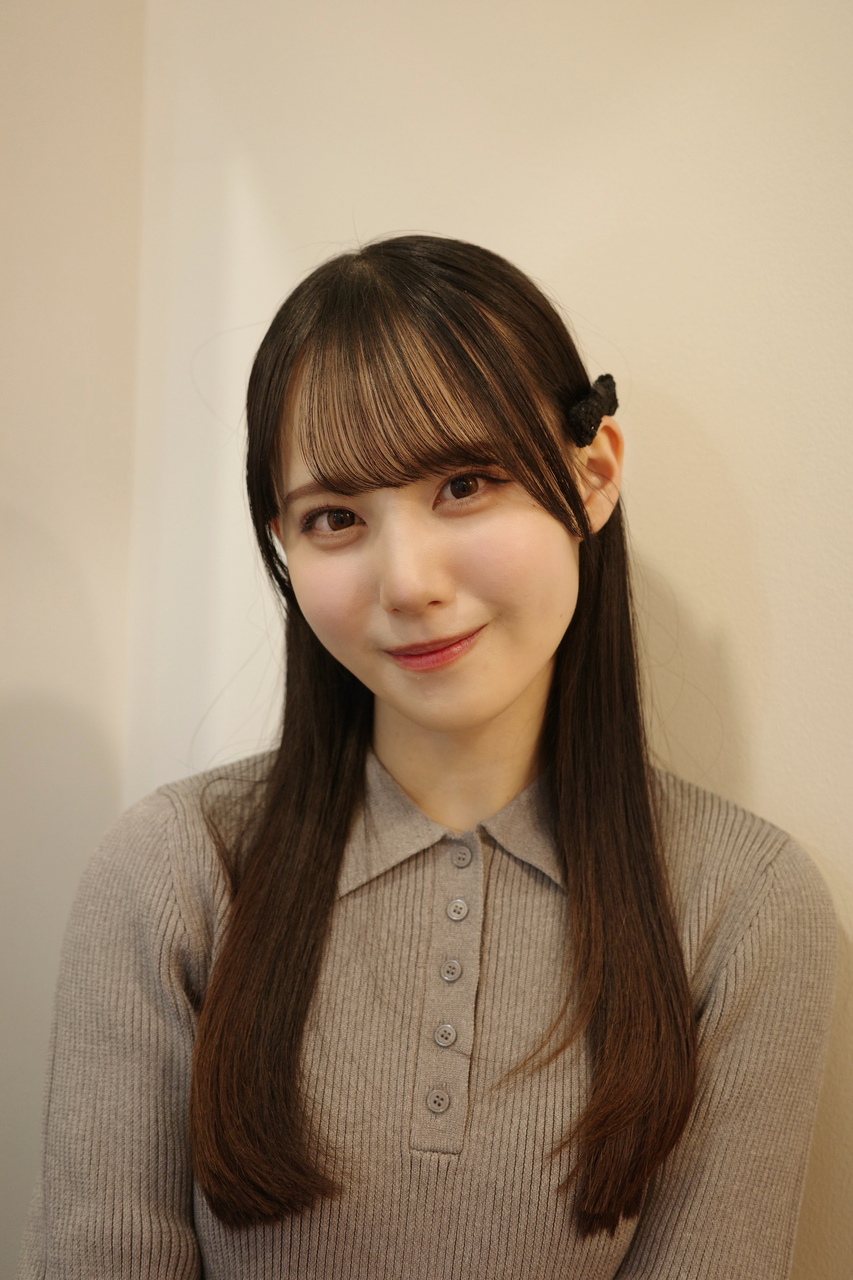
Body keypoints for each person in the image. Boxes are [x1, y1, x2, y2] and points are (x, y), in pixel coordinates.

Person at [19, 235, 837, 1279]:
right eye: (335, 517)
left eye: (463, 483)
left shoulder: (746, 907)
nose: (407, 581)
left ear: (591, 475)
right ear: (285, 545)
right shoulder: (170, 872)